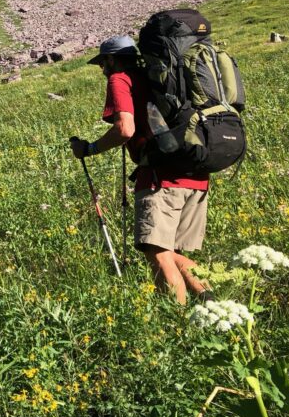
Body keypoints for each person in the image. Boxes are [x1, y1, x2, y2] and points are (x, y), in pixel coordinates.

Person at [70, 35, 211, 304]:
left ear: (113, 59)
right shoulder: (157, 75)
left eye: (103, 63)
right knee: (172, 252)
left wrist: (88, 149)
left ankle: (178, 323)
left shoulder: (120, 78)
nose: (102, 69)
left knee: (156, 250)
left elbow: (125, 128)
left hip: (161, 176)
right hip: (195, 170)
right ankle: (213, 306)